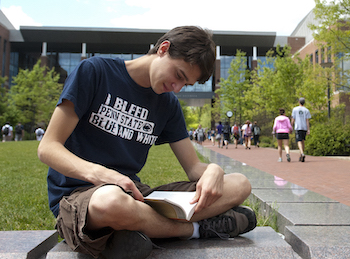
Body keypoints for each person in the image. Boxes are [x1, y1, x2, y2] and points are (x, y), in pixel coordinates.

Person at [37, 26, 256, 259]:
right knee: (110, 202)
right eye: (179, 75)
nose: (177, 88)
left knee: (239, 184)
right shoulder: (95, 71)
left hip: (136, 195)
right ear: (163, 49)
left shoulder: (168, 104)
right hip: (80, 196)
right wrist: (104, 175)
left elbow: (193, 168)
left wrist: (214, 169)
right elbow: (48, 147)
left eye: (186, 85)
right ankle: (195, 230)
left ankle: (136, 228)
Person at [291, 97, 311, 162]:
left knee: (299, 141)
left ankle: (302, 153)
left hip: (298, 127)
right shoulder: (306, 110)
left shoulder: (295, 109)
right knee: (302, 141)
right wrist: (308, 129)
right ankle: (301, 155)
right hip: (304, 127)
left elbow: (293, 119)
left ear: (299, 102)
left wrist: (291, 126)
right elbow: (307, 120)